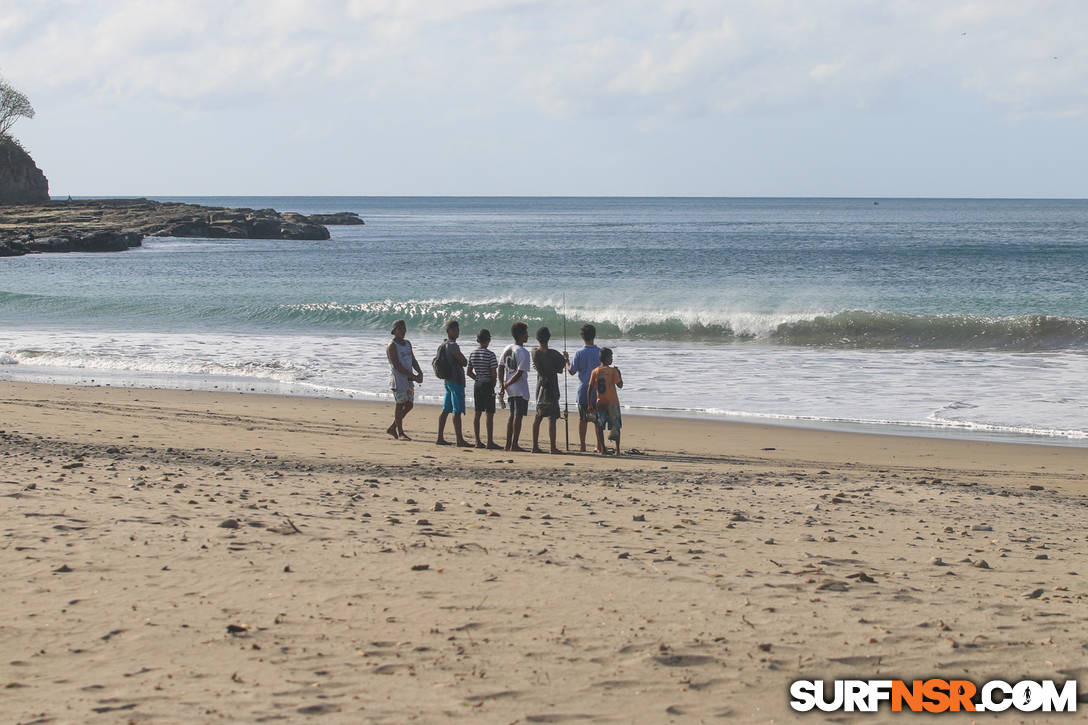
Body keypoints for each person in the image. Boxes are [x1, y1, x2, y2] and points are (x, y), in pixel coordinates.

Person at [565, 323, 602, 452]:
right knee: (598, 420)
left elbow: (572, 371)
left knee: (583, 419)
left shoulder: (579, 353)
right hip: (597, 392)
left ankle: (583, 445)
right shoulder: (599, 352)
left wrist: (566, 361)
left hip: (583, 391)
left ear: (582, 337)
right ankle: (599, 445)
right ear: (594, 336)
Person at [531, 326, 567, 454]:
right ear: (549, 338)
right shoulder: (554, 354)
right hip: (552, 388)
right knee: (552, 419)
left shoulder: (534, 352)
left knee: (538, 417)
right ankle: (552, 447)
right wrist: (566, 358)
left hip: (540, 388)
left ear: (537, 338)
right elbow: (560, 369)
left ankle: (534, 446)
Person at [385, 319, 423, 440]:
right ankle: (400, 432)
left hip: (409, 379)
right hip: (398, 380)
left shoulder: (407, 343)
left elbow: (413, 360)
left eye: (404, 328)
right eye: (400, 328)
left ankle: (392, 427)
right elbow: (397, 366)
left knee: (409, 405)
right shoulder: (392, 346)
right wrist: (413, 376)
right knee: (400, 404)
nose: (403, 331)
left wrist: (419, 372)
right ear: (395, 331)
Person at [436, 319, 470, 447]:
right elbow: (464, 362)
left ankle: (440, 437)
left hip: (448, 380)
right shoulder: (453, 345)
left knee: (446, 409)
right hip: (456, 380)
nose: (457, 332)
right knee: (457, 410)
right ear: (448, 331)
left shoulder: (443, 344)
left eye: (457, 329)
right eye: (454, 329)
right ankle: (459, 439)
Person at [499, 321, 531, 452]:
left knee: (512, 415)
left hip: (509, 388)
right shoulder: (523, 352)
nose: (528, 336)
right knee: (518, 416)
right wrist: (506, 383)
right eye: (526, 334)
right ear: (521, 335)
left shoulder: (507, 349)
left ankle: (508, 444)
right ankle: (515, 444)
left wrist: (502, 384)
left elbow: (500, 367)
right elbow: (519, 373)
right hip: (519, 388)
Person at [467, 328, 502, 450]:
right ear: (489, 340)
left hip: (477, 385)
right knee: (489, 414)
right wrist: (493, 385)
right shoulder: (490, 355)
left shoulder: (473, 354)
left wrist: (477, 378)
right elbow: (494, 374)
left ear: (477, 340)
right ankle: (489, 441)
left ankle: (477, 441)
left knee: (477, 413)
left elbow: (469, 372)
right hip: (487, 384)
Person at [587, 347, 624, 455]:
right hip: (613, 403)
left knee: (600, 427)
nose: (612, 359)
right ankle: (617, 450)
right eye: (611, 357)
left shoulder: (595, 371)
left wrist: (590, 404)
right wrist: (619, 373)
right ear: (608, 359)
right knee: (616, 426)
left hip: (600, 403)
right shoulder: (613, 371)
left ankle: (603, 448)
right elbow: (620, 385)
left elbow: (590, 389)